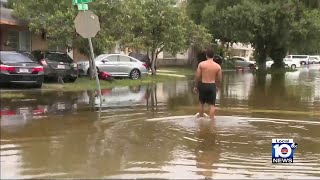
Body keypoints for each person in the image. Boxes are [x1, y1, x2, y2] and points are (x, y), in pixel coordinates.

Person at [193, 49, 222, 119]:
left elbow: (197, 76)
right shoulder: (218, 66)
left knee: (201, 103)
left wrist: (195, 86)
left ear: (206, 56)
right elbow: (219, 79)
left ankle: (200, 118)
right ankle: (211, 120)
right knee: (212, 105)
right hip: (212, 85)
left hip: (203, 85)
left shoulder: (201, 64)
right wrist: (217, 86)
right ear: (213, 56)